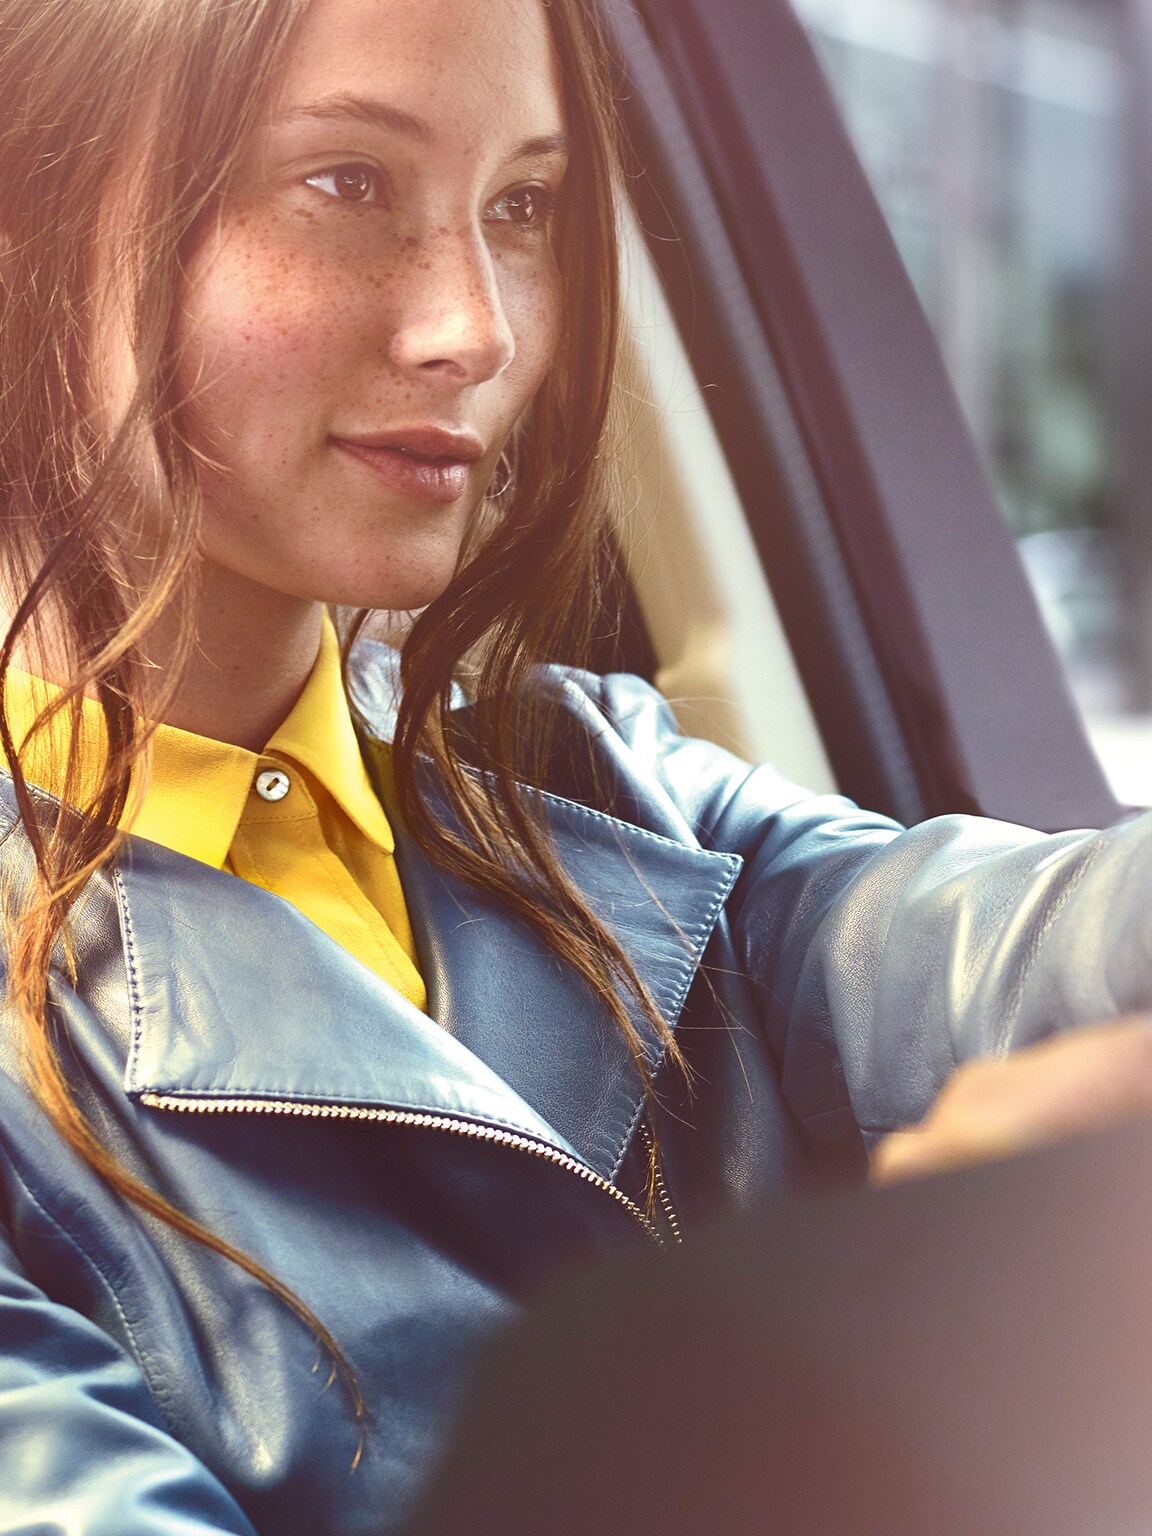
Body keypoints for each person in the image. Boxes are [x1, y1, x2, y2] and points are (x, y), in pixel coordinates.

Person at [2, 0, 1152, 1532]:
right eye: (345, 182)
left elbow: (1032, 939)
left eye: (523, 205)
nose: (475, 326)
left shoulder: (586, 779)